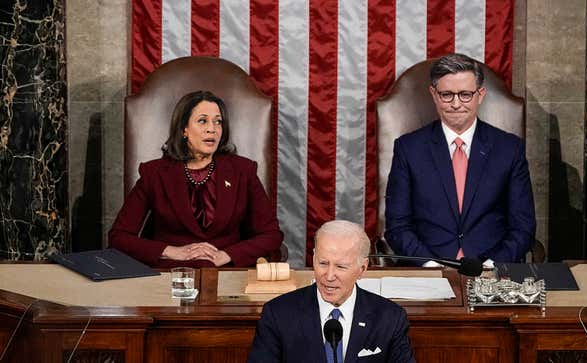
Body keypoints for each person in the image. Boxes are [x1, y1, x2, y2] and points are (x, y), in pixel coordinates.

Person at [385, 53, 536, 264]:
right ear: (434, 95)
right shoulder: (409, 148)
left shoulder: (509, 149)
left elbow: (523, 227)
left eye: (465, 94)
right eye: (447, 94)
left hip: (491, 269)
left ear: (480, 95)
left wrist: (493, 264)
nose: (456, 104)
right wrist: (428, 264)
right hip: (427, 269)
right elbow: (397, 226)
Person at [108, 90, 283, 268]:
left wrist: (226, 255)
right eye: (202, 121)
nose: (212, 129)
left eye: (218, 122)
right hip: (172, 274)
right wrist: (172, 251)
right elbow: (119, 237)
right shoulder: (155, 173)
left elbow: (271, 235)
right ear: (184, 129)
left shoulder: (243, 170)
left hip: (227, 272)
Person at [247, 220, 415, 363]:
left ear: (362, 269)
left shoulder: (389, 318)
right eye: (323, 263)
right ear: (313, 258)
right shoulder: (277, 314)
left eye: (341, 266)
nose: (328, 276)